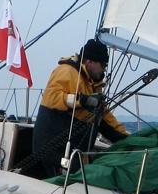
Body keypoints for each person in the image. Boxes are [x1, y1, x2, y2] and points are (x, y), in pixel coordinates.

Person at [32, 39, 128, 176]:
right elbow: (52, 97)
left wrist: (126, 137)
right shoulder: (66, 71)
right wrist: (81, 100)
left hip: (72, 154)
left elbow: (104, 117)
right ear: (89, 62)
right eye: (102, 64)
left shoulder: (93, 85)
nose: (104, 68)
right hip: (52, 150)